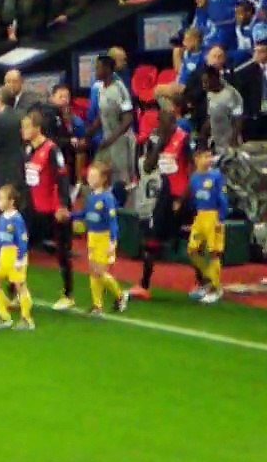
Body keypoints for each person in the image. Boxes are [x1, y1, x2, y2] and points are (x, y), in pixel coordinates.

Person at [131, 109, 193, 300]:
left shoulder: (183, 140)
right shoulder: (160, 140)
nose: (161, 127)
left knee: (190, 238)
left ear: (173, 122)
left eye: (165, 123)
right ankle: (144, 285)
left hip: (180, 196)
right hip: (165, 195)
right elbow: (148, 167)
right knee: (152, 236)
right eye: (160, 123)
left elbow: (191, 171)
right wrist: (159, 145)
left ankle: (204, 281)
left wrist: (182, 199)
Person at [20, 110, 75, 310]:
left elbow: (61, 177)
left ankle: (68, 294)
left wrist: (62, 205)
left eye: (26, 126)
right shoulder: (27, 150)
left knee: (61, 251)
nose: (23, 130)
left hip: (52, 209)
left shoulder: (52, 150)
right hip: (34, 208)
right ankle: (17, 291)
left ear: (37, 128)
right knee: (21, 248)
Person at [72, 162, 128, 316]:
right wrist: (69, 216)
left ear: (103, 179)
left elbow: (112, 221)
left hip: (103, 237)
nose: (89, 178)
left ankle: (120, 295)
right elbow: (84, 213)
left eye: (93, 176)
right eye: (89, 175)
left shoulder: (107, 198)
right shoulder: (91, 197)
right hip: (92, 237)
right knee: (92, 271)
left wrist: (112, 240)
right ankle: (97, 305)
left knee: (99, 271)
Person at [0, 185, 35, 330]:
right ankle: (5, 317)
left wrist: (20, 259)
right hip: (4, 255)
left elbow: (23, 240)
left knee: (20, 286)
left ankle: (27, 319)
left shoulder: (17, 219)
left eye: (1, 199)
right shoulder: (1, 218)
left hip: (15, 254)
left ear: (12, 201)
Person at [87, 55, 135, 202]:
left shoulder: (119, 88)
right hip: (107, 140)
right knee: (97, 172)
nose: (95, 70)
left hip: (121, 140)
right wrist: (88, 134)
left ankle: (124, 211)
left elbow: (128, 119)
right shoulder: (101, 88)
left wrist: (111, 140)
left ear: (107, 69)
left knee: (121, 181)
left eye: (98, 67)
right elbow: (101, 115)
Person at [187, 144, 230, 304]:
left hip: (213, 216)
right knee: (192, 250)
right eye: (205, 156)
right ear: (196, 158)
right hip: (200, 216)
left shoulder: (216, 176)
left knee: (213, 252)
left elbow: (223, 198)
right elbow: (193, 200)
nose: (208, 159)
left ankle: (216, 289)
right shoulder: (194, 178)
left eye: (210, 156)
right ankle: (209, 280)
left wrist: (221, 217)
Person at [201, 65, 244, 154]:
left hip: (230, 143)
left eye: (206, 82)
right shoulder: (209, 94)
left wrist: (233, 140)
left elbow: (238, 119)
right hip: (216, 142)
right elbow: (210, 116)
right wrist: (203, 133)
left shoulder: (231, 94)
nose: (203, 86)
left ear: (214, 79)